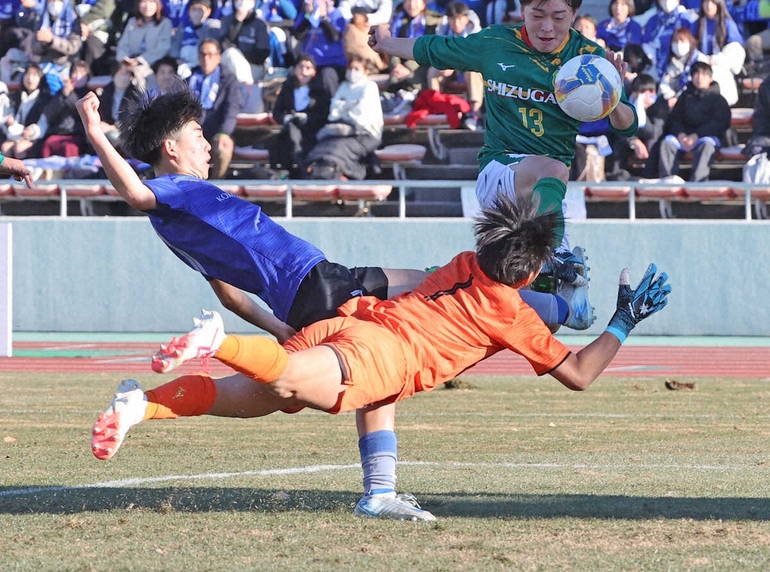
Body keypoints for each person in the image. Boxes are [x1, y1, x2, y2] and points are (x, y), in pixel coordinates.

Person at [90, 195, 671, 523]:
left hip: (361, 320)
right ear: (530, 272)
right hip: (381, 351)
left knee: (261, 399)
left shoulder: (465, 262)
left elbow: (502, 273)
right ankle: (219, 343)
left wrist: (544, 274)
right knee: (291, 380)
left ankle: (141, 405)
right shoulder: (512, 315)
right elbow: (579, 374)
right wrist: (623, 320)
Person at [76, 85, 434, 520]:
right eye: (197, 133)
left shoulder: (179, 218)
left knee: (274, 392)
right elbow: (135, 193)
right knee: (393, 352)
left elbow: (229, 294)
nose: (207, 144)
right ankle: (379, 491)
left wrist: (279, 329)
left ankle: (141, 404)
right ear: (171, 148)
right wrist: (95, 131)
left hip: (311, 289)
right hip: (312, 282)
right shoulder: (176, 191)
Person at [370, 0, 637, 326]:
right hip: (499, 170)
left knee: (515, 298)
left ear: (574, 14)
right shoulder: (496, 42)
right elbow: (433, 48)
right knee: (554, 166)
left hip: (543, 197)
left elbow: (628, 125)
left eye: (558, 18)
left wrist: (612, 94)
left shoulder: (589, 59)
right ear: (522, 9)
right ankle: (559, 258)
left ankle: (559, 292)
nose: (546, 27)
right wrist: (386, 42)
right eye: (537, 14)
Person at [302, 55, 383, 180]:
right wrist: (349, 106)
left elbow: (361, 112)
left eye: (356, 69)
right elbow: (334, 112)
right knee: (321, 149)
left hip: (364, 133)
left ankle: (344, 175)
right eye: (350, 68)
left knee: (339, 150)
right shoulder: (343, 87)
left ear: (366, 71)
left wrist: (344, 107)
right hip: (339, 130)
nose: (352, 72)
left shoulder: (369, 87)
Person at [657, 61, 731, 182]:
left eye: (704, 74)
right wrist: (680, 134)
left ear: (710, 78)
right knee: (667, 143)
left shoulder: (719, 100)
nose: (699, 77)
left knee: (706, 146)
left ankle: (698, 184)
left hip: (706, 137)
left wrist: (697, 135)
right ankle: (667, 182)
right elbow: (675, 119)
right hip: (683, 137)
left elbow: (719, 124)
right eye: (696, 73)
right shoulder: (685, 97)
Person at [186, 38, 245, 179]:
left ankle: (217, 185)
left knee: (223, 147)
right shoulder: (189, 80)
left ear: (218, 57)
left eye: (211, 55)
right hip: (192, 132)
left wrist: (224, 132)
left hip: (216, 132)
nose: (206, 59)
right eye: (203, 54)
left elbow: (232, 109)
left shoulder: (229, 81)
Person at [269, 54, 332, 177]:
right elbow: (277, 112)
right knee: (286, 136)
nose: (304, 71)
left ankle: (303, 167)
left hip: (311, 130)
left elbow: (324, 114)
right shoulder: (287, 88)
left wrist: (308, 117)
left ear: (314, 71)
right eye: (301, 67)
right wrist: (285, 118)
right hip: (290, 129)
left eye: (308, 68)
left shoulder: (319, 91)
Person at [427, 0, 483, 116]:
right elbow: (439, 53)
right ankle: (437, 104)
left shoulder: (476, 33)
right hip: (451, 71)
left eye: (460, 19)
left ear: (466, 18)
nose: (456, 23)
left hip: (471, 69)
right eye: (452, 19)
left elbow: (474, 57)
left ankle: (475, 112)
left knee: (472, 71)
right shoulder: (444, 31)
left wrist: (453, 65)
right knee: (433, 71)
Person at [692, 0, 744, 105]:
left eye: (713, 2)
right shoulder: (697, 24)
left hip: (720, 67)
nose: (709, 6)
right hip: (699, 65)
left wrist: (717, 59)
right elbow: (690, 47)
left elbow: (735, 48)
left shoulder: (728, 24)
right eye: (706, 2)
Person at [115, 0, 173, 88]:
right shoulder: (132, 22)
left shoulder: (165, 23)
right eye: (143, 2)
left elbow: (163, 47)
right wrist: (125, 59)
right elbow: (123, 44)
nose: (147, 6)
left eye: (151, 2)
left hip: (153, 64)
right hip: (130, 63)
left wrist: (140, 60)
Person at [641, 0, 698, 79]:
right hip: (656, 61)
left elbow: (693, 41)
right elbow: (647, 42)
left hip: (682, 60)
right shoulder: (653, 20)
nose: (667, 0)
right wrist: (653, 58)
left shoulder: (686, 18)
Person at [218, 0, 273, 85]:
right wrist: (237, 21)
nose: (243, 1)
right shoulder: (227, 21)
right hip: (230, 64)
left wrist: (242, 56)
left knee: (232, 53)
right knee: (229, 54)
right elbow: (225, 44)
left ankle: (245, 88)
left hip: (253, 66)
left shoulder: (260, 24)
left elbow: (263, 53)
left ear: (253, 2)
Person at [1, 63, 57, 159]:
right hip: (16, 135)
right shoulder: (15, 97)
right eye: (28, 74)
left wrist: (32, 131)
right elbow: (7, 116)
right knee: (5, 148)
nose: (30, 79)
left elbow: (44, 123)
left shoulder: (46, 100)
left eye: (35, 75)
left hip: (37, 137)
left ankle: (23, 173)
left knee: (19, 149)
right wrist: (9, 122)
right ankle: (8, 174)